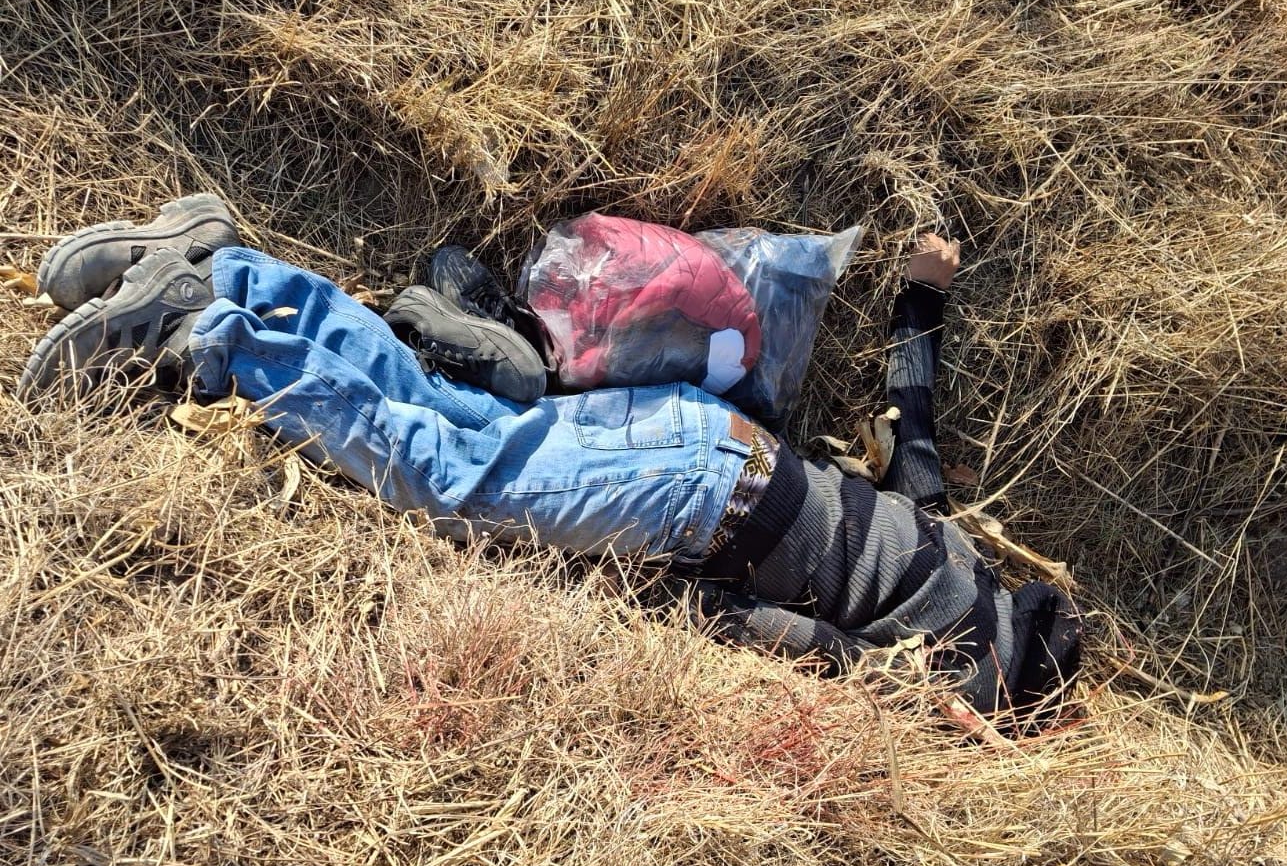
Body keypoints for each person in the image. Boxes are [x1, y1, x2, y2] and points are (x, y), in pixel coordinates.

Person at [16, 195, 1082, 730]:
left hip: (709, 432)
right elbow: (792, 639)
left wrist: (920, 292)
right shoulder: (961, 682)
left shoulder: (955, 554)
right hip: (697, 503)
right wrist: (673, 613)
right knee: (444, 479)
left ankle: (232, 264)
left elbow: (913, 418)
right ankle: (212, 326)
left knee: (439, 409)